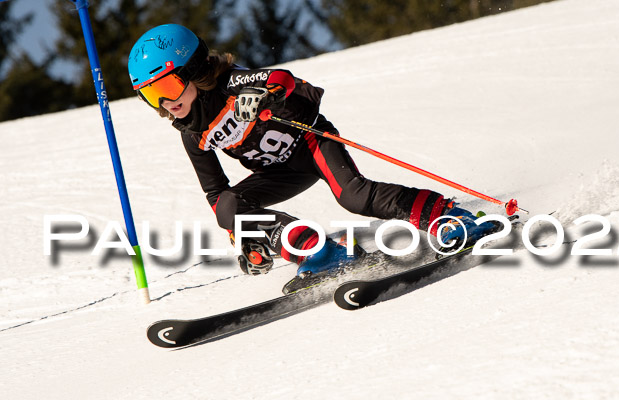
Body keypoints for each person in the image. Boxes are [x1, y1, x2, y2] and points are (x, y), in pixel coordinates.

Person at [127, 24, 497, 277]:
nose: (165, 103)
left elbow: (283, 80)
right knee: (227, 208)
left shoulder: (229, 83)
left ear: (194, 69)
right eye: (151, 96)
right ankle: (320, 253)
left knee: (353, 196)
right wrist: (246, 236)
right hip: (281, 172)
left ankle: (450, 217)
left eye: (168, 87)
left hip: (310, 141)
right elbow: (214, 191)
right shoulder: (193, 136)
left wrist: (260, 95)